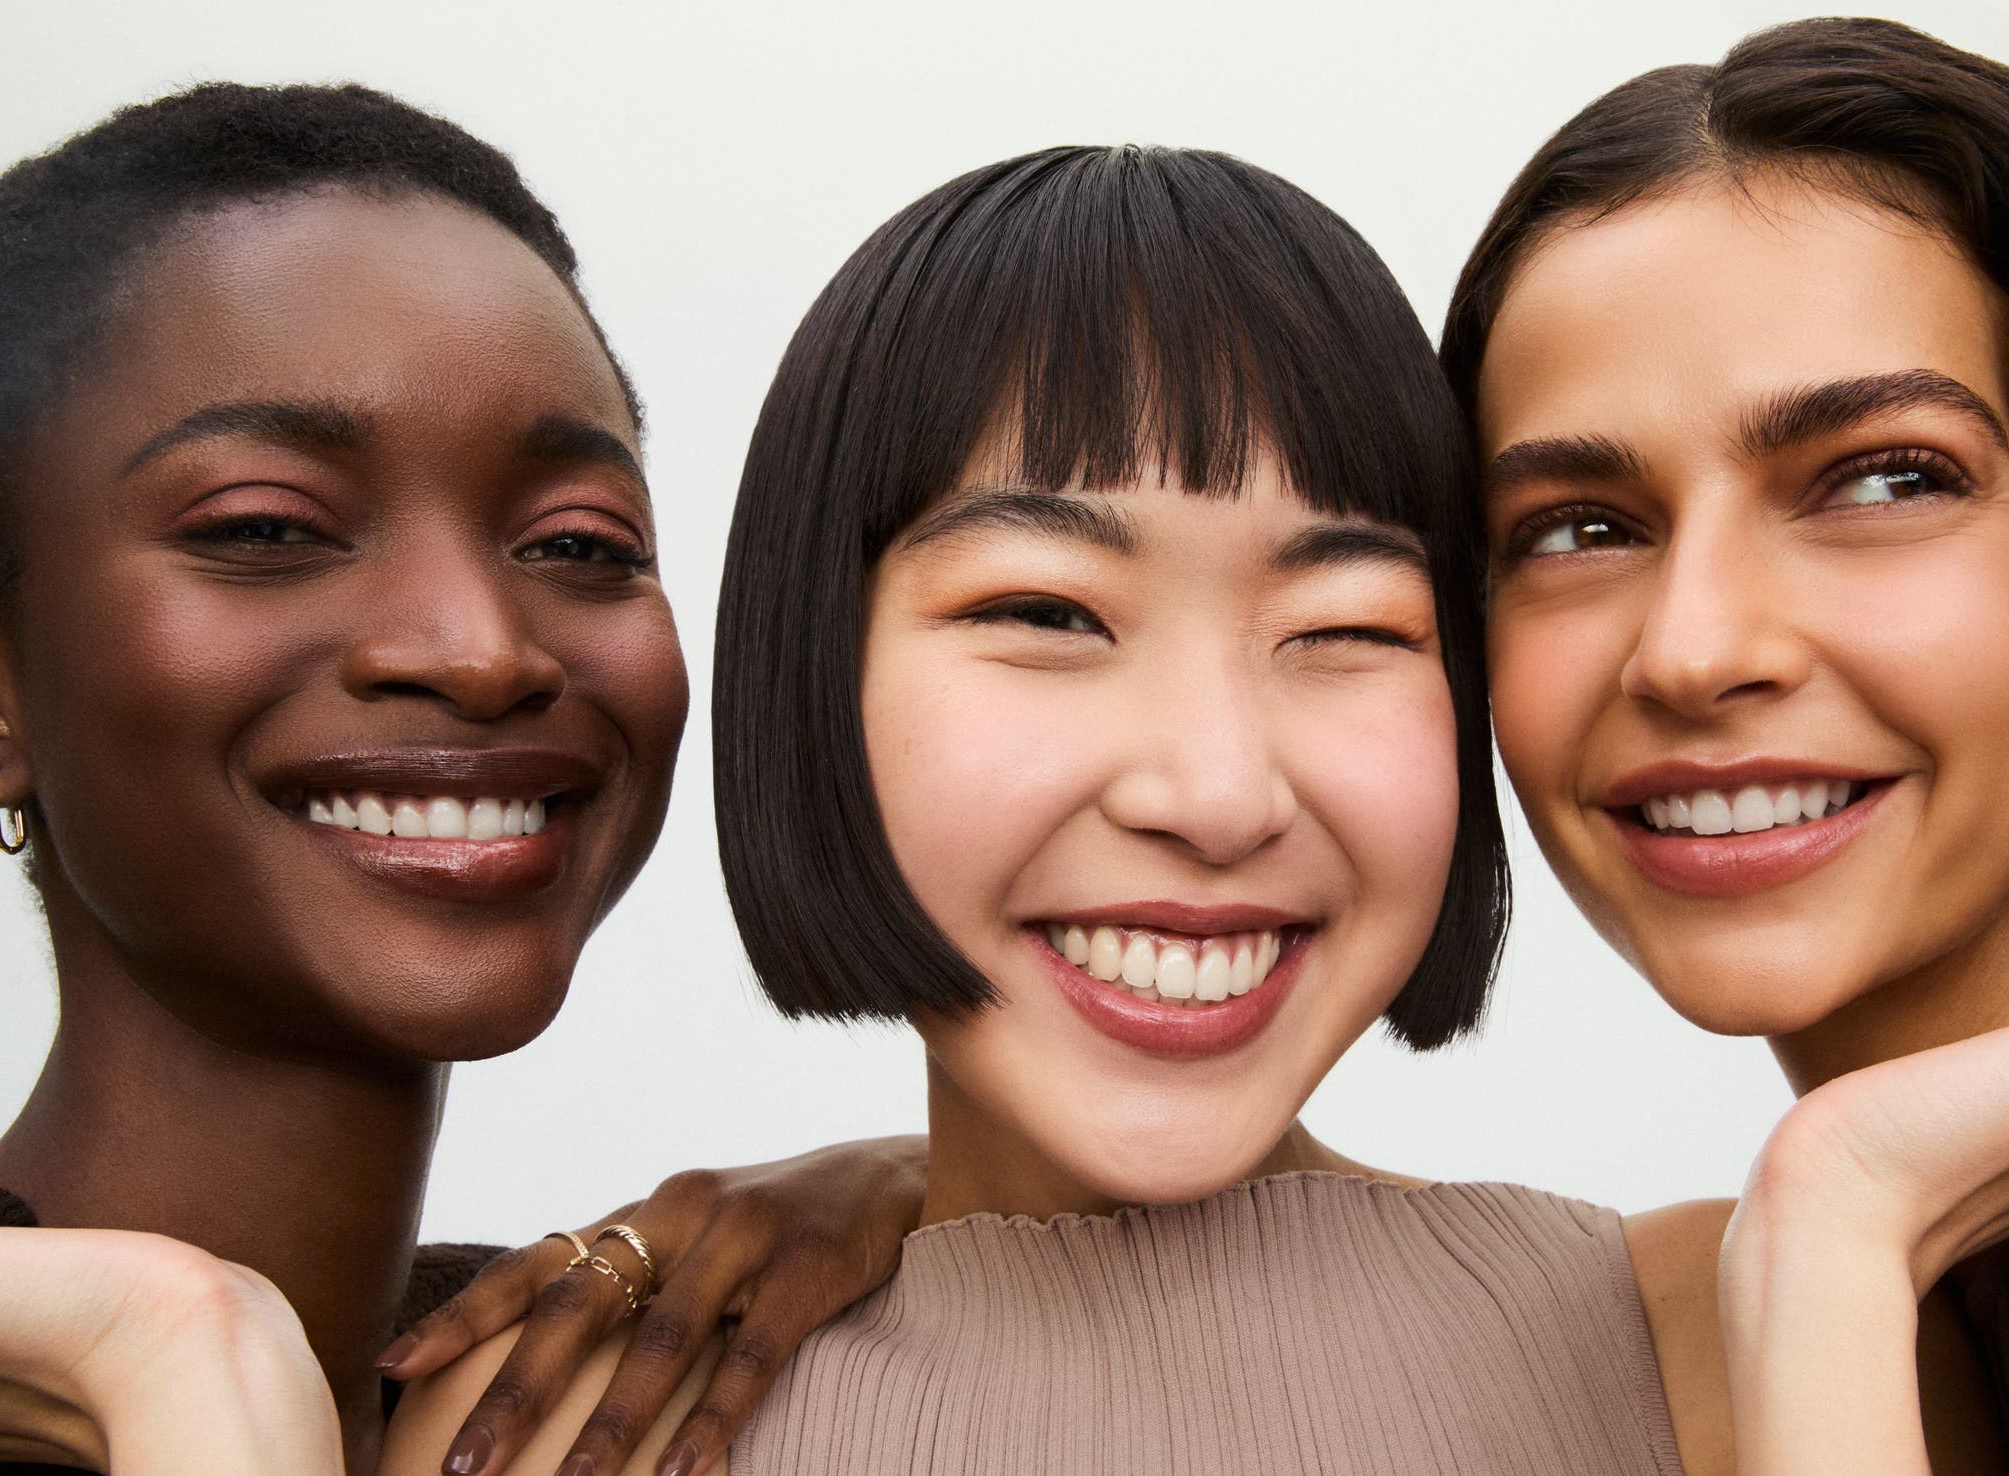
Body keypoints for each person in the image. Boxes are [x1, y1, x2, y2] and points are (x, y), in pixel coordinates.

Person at [386, 143, 1687, 1476]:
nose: (1216, 794)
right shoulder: (547, 1431)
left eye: (1345, 628)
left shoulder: (1704, 1341)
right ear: (810, 672)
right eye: (1049, 613)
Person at [1439, 17, 2009, 1474]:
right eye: (1579, 527)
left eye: (1883, 481)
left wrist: (1835, 1211)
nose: (1692, 650)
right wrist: (1838, 1225)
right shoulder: (1886, 1304)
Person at [0, 83, 920, 1476]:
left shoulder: (607, 1397)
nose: (484, 652)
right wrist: (165, 1349)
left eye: (577, 544)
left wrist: (953, 1190)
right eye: (268, 528)